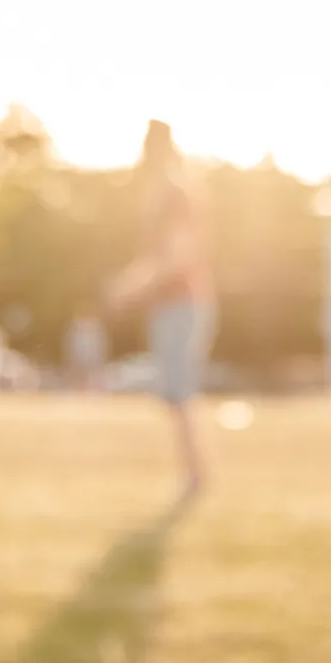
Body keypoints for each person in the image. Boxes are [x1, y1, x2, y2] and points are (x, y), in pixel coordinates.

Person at [107, 120, 217, 499]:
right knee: (174, 391)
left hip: (181, 303)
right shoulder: (166, 190)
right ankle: (193, 473)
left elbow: (176, 256)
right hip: (173, 303)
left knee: (179, 389)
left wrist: (130, 287)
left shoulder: (174, 191)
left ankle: (195, 476)